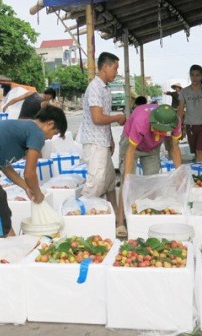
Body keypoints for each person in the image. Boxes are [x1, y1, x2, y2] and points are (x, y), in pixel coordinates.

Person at [0, 105, 68, 237]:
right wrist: (38, 193)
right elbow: (30, 173)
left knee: (1, 211)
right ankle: (5, 253)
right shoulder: (37, 133)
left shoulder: (25, 128)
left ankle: (13, 247)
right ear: (49, 124)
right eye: (54, 133)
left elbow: (5, 166)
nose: (51, 138)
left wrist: (26, 188)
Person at [78, 51, 126, 237]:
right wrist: (118, 118)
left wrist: (111, 138)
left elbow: (102, 118)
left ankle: (115, 217)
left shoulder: (105, 88)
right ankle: (82, 217)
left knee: (108, 182)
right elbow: (98, 118)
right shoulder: (95, 87)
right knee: (95, 182)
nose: (116, 72)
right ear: (105, 67)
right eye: (114, 68)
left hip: (103, 141)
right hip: (94, 142)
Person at [116, 104, 182, 236]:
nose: (161, 133)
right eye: (158, 130)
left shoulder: (175, 122)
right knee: (126, 183)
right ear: (152, 122)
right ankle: (120, 222)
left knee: (153, 182)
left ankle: (148, 217)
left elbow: (174, 147)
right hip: (131, 144)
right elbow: (130, 151)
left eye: (164, 132)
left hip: (152, 148)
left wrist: (179, 173)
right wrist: (127, 176)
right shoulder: (141, 121)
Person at [177, 64, 202, 162]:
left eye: (197, 75)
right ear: (189, 76)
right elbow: (181, 109)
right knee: (195, 151)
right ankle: (198, 174)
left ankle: (200, 175)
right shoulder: (184, 92)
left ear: (201, 76)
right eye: (192, 75)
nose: (195, 78)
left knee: (200, 151)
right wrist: (179, 126)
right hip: (190, 126)